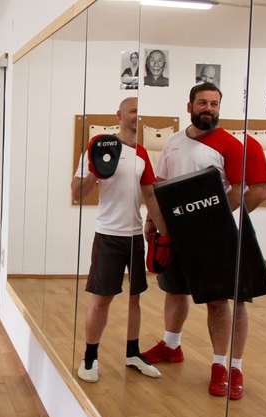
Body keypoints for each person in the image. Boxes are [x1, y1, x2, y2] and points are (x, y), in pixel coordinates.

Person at [142, 82, 266, 400]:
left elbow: (251, 190)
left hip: (217, 240)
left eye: (214, 104)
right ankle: (172, 345)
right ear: (189, 106)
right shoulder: (172, 142)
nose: (208, 109)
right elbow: (161, 184)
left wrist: (214, 221)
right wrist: (151, 220)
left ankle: (228, 367)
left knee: (223, 302)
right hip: (178, 235)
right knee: (174, 290)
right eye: (202, 103)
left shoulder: (231, 145)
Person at [71, 97, 168, 383]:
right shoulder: (98, 147)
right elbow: (78, 192)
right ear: (119, 115)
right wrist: (95, 169)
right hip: (108, 236)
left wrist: (165, 235)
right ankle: (89, 358)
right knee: (101, 300)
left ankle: (132, 353)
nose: (138, 116)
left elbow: (150, 195)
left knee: (135, 298)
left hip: (135, 236)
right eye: (133, 110)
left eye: (142, 111)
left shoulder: (141, 154)